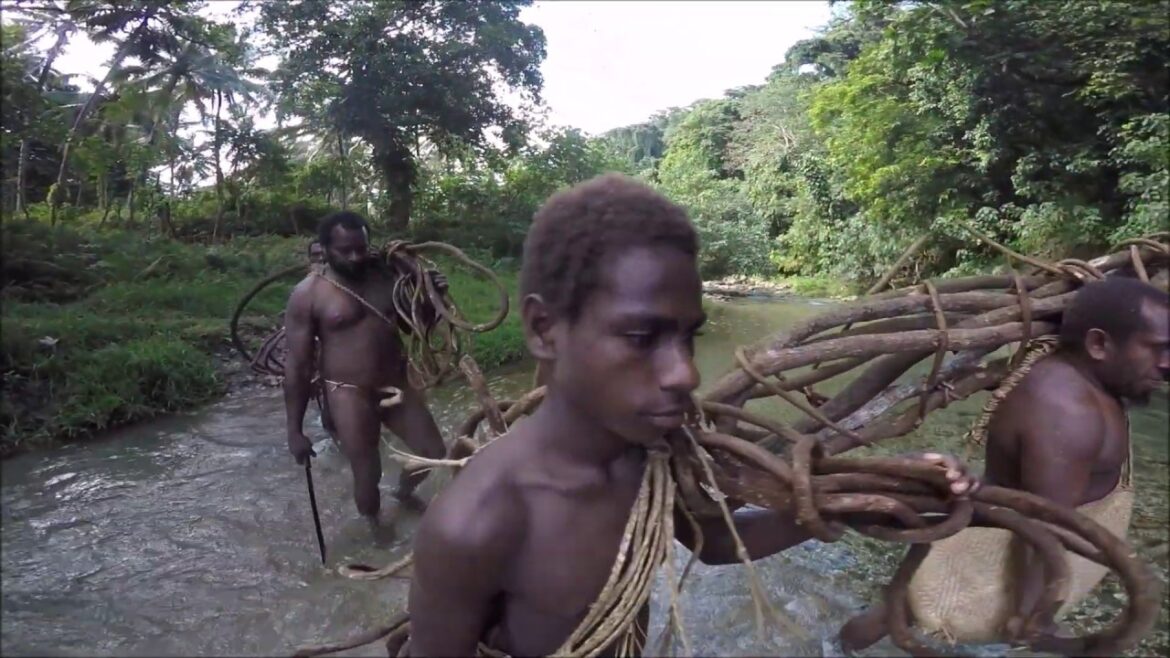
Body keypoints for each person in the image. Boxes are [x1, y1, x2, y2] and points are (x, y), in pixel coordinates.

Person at [405, 174, 978, 657]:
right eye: (641, 335)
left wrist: (867, 498)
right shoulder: (476, 525)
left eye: (687, 336)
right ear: (544, 329)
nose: (685, 373)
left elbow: (713, 541)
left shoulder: (647, 453)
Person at [839, 276, 1169, 651]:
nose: (1167, 364)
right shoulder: (1067, 411)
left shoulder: (1089, 381)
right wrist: (1034, 614)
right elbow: (1044, 523)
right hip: (993, 546)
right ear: (1098, 344)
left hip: (994, 530)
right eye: (1157, 349)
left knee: (891, 612)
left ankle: (836, 648)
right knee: (896, 612)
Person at [283, 211, 448, 530]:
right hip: (347, 392)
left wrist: (432, 300)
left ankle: (403, 492)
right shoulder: (308, 294)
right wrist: (294, 431)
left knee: (433, 452)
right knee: (367, 471)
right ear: (325, 249)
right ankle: (374, 526)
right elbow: (298, 366)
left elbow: (414, 326)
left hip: (395, 384)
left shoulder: (387, 276)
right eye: (346, 250)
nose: (357, 257)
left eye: (361, 247)